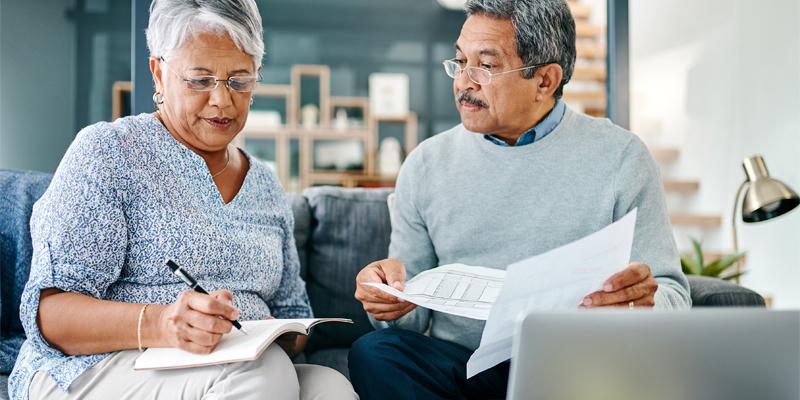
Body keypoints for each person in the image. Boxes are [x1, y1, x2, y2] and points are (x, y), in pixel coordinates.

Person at [8, 1, 357, 399]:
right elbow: (50, 316)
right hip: (90, 367)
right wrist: (163, 324)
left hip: (234, 364)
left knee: (331, 387)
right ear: (159, 73)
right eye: (201, 80)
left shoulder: (266, 185)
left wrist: (266, 334)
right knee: (262, 374)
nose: (222, 101)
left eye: (239, 81)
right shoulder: (109, 151)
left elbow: (294, 315)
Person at [349, 0, 691, 399]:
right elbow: (412, 313)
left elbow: (672, 294)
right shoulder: (425, 164)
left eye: (486, 66)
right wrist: (388, 303)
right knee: (375, 352)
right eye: (460, 62)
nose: (463, 83)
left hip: (573, 369)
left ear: (545, 80)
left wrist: (640, 304)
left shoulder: (622, 158)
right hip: (464, 366)